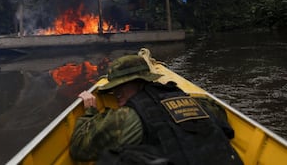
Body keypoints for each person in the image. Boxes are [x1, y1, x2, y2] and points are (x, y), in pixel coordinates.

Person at [69, 51, 243, 165]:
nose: (118, 98)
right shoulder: (193, 102)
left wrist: (90, 112)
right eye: (115, 94)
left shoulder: (128, 116)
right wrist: (184, 98)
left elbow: (79, 148)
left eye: (120, 91)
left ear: (137, 83)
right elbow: (220, 113)